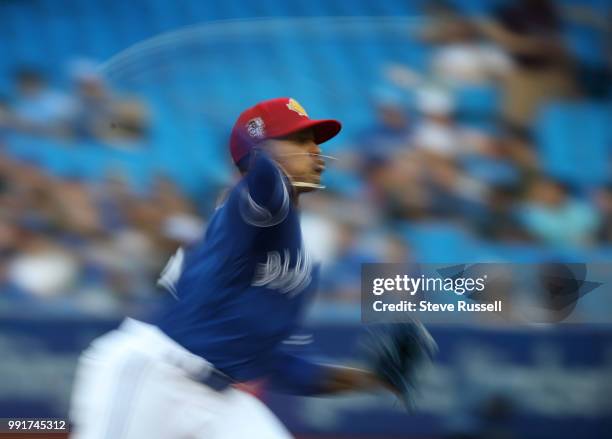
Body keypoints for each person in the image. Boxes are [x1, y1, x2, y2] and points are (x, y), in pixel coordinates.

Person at [69, 98, 392, 438]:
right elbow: (263, 180)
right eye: (299, 140)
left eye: (315, 142)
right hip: (153, 373)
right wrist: (254, 150)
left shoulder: (302, 267)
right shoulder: (252, 202)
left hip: (218, 399)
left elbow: (284, 366)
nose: (314, 150)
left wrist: (372, 377)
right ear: (260, 153)